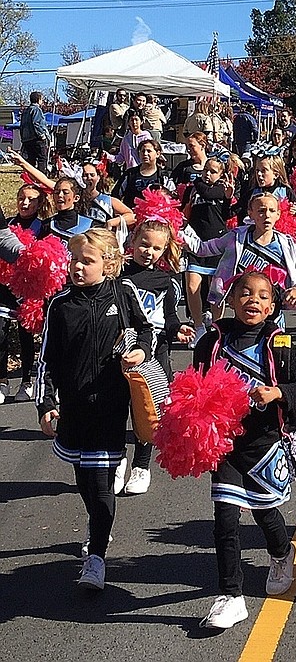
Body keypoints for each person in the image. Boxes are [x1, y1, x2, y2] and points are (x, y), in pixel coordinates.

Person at [195, 270, 296, 629]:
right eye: (245, 293)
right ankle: (230, 596)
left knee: (265, 514)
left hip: (266, 444)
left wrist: (278, 394)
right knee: (225, 519)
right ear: (229, 300)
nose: (254, 300)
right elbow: (194, 387)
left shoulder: (281, 344)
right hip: (226, 445)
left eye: (263, 296)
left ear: (273, 306)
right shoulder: (212, 341)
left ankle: (281, 553)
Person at [37, 228, 153, 590]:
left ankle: (97, 558)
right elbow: (47, 360)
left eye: (87, 261)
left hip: (110, 406)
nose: (77, 266)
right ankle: (94, 521)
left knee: (102, 480)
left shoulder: (122, 292)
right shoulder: (59, 304)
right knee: (84, 478)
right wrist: (46, 403)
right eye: (74, 259)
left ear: (109, 263)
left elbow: (145, 329)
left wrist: (142, 350)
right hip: (73, 409)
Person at [117, 217, 195, 495]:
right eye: (144, 244)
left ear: (165, 251)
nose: (148, 251)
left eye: (156, 248)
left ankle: (141, 465)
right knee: (115, 406)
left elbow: (170, 317)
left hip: (154, 351)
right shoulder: (118, 273)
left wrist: (178, 330)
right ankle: (117, 459)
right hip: (119, 349)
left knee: (147, 411)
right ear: (133, 242)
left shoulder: (167, 281)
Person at [184, 192, 296, 322]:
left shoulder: (286, 245)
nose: (267, 215)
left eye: (272, 210)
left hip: (273, 318)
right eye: (261, 211)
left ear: (278, 215)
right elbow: (202, 249)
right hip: (243, 315)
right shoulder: (236, 238)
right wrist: (179, 232)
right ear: (251, 213)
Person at [0, 183, 51, 404]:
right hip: (5, 286)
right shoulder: (10, 222)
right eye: (21, 197)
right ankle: (2, 380)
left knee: (25, 335)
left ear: (39, 203)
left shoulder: (43, 226)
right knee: (0, 333)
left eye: (31, 199)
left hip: (29, 288)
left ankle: (26, 380)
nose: (25, 203)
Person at [182, 157, 236, 346]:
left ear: (221, 175)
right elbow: (184, 212)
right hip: (195, 242)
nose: (207, 174)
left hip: (217, 243)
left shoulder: (220, 190)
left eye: (213, 171)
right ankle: (198, 327)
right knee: (191, 286)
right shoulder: (191, 190)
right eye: (206, 169)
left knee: (216, 291)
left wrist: (229, 199)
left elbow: (221, 207)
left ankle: (215, 327)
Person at [112, 139, 170, 209]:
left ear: (158, 154)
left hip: (156, 217)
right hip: (133, 216)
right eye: (142, 151)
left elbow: (171, 198)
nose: (145, 154)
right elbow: (115, 195)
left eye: (149, 151)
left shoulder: (163, 176)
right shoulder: (130, 174)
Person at [20, 91, 49, 172]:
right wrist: (42, 135)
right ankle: (41, 177)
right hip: (36, 139)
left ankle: (31, 177)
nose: (42, 101)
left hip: (27, 140)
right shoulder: (36, 110)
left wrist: (23, 138)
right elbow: (36, 123)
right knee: (42, 158)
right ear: (38, 100)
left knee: (31, 159)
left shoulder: (25, 111)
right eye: (41, 99)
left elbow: (21, 126)